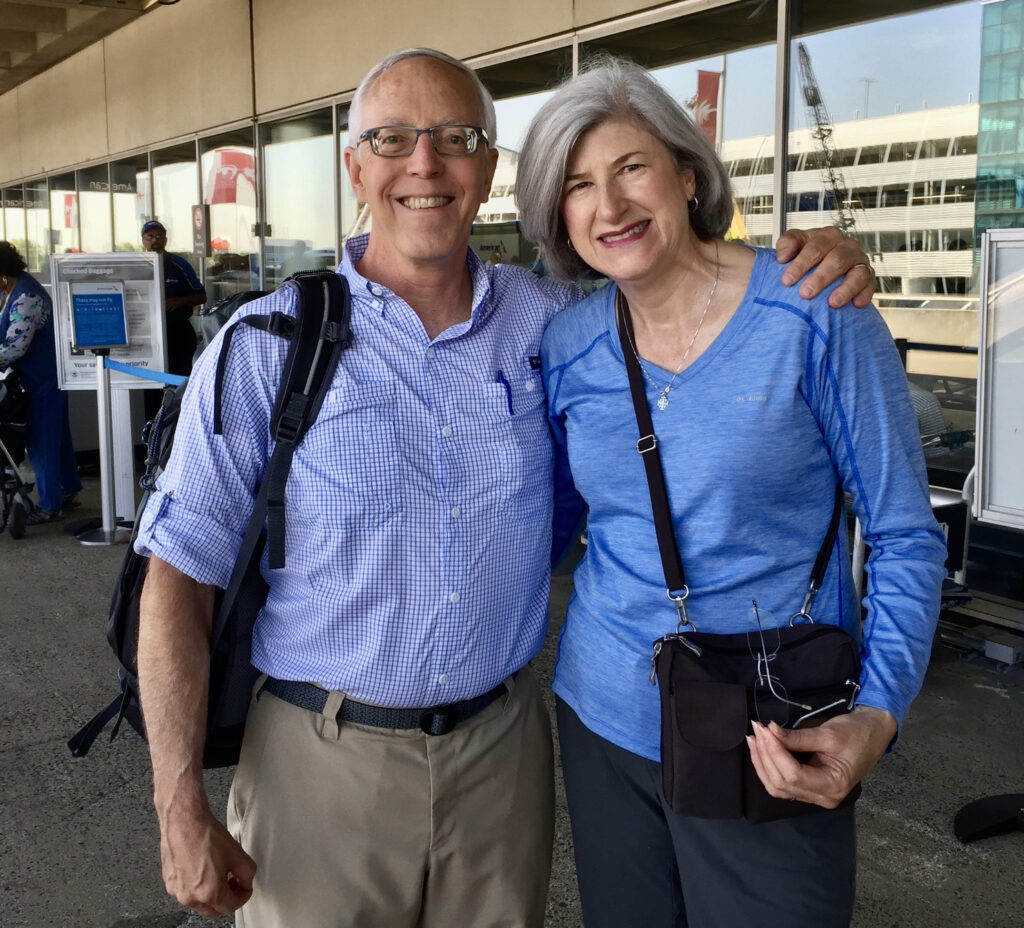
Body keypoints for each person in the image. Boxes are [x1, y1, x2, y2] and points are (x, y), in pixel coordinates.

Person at [133, 48, 877, 927]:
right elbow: (178, 574)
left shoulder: (553, 321)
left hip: (502, 760)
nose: (424, 163)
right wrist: (177, 802)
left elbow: (681, 288)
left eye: (455, 137)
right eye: (393, 138)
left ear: (488, 167)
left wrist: (817, 257)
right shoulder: (265, 346)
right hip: (320, 764)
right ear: (355, 167)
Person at [515, 57, 948, 928]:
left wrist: (876, 715)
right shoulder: (567, 345)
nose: (611, 205)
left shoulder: (816, 311)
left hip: (771, 724)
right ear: (559, 216)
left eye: (631, 167)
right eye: (578, 185)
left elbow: (905, 533)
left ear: (684, 171)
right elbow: (556, 524)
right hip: (606, 716)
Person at [0, 241, 81, 524]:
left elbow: (16, 346)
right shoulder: (13, 289)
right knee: (56, 435)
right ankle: (68, 489)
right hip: (40, 375)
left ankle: (49, 506)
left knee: (42, 439)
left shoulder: (26, 297)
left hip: (43, 378)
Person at [141, 219, 207, 379]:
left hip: (178, 333)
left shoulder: (180, 264)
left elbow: (202, 296)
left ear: (165, 239)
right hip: (146, 334)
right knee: (151, 384)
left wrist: (179, 301)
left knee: (182, 380)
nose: (155, 240)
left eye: (159, 236)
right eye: (150, 236)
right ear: (143, 240)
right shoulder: (135, 265)